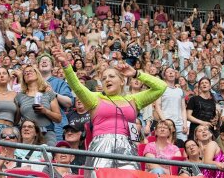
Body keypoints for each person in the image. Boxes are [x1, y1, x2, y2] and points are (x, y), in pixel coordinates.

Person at [53, 46, 167, 175]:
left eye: (112, 76)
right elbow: (77, 87)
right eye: (104, 78)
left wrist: (136, 73)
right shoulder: (95, 98)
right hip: (101, 147)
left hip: (127, 148)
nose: (107, 79)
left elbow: (161, 87)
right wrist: (66, 64)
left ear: (122, 81)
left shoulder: (134, 99)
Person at [15, 65, 62, 146]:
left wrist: (45, 111)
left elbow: (58, 118)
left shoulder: (48, 93)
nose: (28, 73)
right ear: (23, 79)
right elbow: (16, 120)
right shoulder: (19, 96)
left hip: (46, 132)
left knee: (48, 155)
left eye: (31, 71)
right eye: (25, 73)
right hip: (28, 133)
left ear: (37, 74)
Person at [37, 53, 73, 141]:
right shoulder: (32, 83)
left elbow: (68, 102)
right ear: (37, 67)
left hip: (57, 127)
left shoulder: (60, 82)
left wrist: (53, 93)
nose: (44, 61)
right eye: (41, 61)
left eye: (47, 61)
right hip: (37, 127)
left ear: (52, 67)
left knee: (57, 153)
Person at [155, 67, 188, 141]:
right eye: (168, 72)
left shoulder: (180, 91)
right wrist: (165, 121)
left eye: (172, 71)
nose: (170, 73)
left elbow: (183, 109)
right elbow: (158, 106)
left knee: (182, 147)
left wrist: (185, 123)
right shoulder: (161, 89)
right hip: (166, 124)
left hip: (180, 125)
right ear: (164, 76)